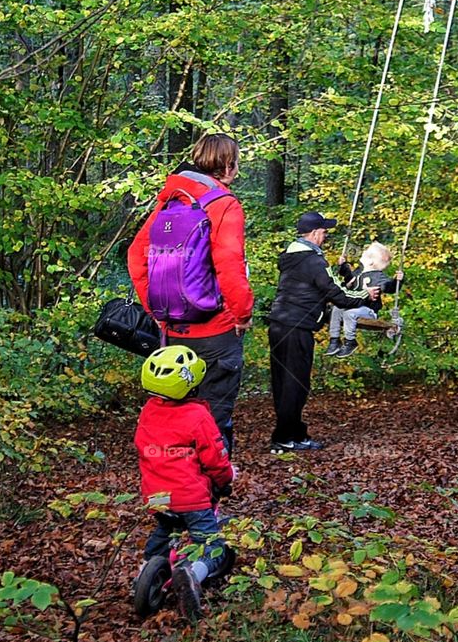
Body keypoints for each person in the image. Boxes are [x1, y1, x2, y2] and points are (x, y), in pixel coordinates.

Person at [128, 133, 253, 454]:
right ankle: (207, 494)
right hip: (216, 330)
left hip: (174, 331)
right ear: (228, 165)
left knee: (178, 411)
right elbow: (229, 263)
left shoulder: (170, 201)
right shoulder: (224, 205)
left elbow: (136, 256)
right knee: (214, 417)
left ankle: (175, 485)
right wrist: (242, 314)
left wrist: (156, 311)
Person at [135, 344, 235, 620]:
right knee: (211, 545)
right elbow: (215, 457)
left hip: (157, 495)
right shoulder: (197, 415)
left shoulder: (148, 412)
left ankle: (145, 572)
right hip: (191, 498)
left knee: (164, 529)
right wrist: (225, 480)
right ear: (192, 385)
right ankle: (191, 574)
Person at [267, 211, 380, 453]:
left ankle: (294, 434)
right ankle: (285, 437)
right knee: (295, 384)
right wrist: (365, 296)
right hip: (296, 327)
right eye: (325, 232)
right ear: (316, 233)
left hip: (280, 324)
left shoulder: (291, 257)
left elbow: (315, 290)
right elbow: (336, 294)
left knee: (285, 382)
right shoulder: (313, 260)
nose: (326, 236)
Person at [327, 241, 403, 358]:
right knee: (337, 309)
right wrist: (343, 266)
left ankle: (350, 341)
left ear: (371, 262)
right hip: (354, 307)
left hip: (368, 310)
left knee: (349, 313)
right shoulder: (359, 272)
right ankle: (334, 339)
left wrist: (397, 281)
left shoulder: (378, 276)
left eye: (366, 253)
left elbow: (388, 287)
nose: (362, 253)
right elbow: (348, 279)